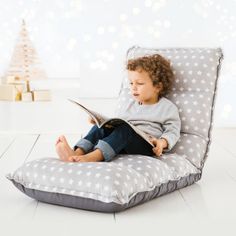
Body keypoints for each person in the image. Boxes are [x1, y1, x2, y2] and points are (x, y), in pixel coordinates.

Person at [55, 54, 181, 162]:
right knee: (99, 128)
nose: (133, 88)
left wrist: (161, 143)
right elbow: (118, 124)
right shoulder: (130, 104)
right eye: (131, 83)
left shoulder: (167, 107)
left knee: (125, 130)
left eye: (140, 83)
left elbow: (173, 131)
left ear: (157, 87)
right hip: (123, 142)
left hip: (146, 146)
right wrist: (101, 122)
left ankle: (92, 158)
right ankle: (77, 153)